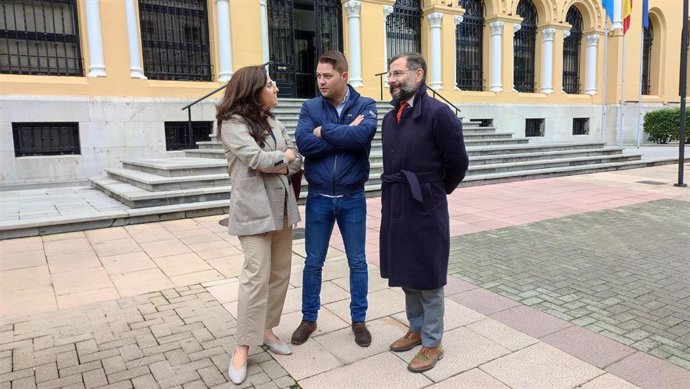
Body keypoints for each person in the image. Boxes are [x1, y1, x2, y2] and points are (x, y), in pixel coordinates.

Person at [379, 52, 469, 373]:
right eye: (390, 73)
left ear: (418, 75)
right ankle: (415, 328)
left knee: (428, 277)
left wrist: (434, 190)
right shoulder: (390, 119)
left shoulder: (439, 114)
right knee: (406, 272)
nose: (391, 79)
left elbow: (457, 163)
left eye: (398, 73)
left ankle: (432, 343)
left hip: (425, 204)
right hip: (396, 203)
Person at [216, 65, 302, 385]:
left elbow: (297, 161)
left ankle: (267, 330)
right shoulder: (232, 124)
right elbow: (257, 160)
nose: (276, 88)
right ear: (254, 90)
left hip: (281, 209)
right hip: (252, 211)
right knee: (256, 277)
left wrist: (282, 161)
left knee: (279, 274)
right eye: (270, 84)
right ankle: (242, 347)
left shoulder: (275, 121)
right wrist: (283, 159)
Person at [292, 51, 378, 347]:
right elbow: (304, 144)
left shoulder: (366, 105)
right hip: (319, 198)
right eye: (318, 76)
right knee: (313, 262)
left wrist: (325, 132)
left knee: (357, 262)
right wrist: (344, 134)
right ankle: (308, 319)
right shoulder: (310, 106)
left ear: (344, 76)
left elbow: (361, 138)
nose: (320, 81)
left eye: (327, 76)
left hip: (353, 197)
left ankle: (359, 321)